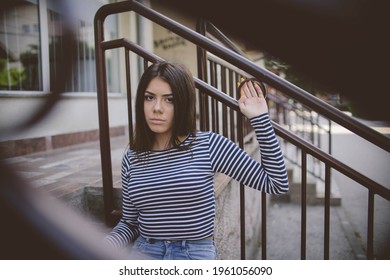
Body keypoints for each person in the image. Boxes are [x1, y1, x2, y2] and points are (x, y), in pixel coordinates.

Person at [104, 61, 289, 260]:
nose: (157, 108)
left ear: (183, 103)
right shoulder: (132, 157)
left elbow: (276, 183)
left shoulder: (209, 145)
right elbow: (130, 224)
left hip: (193, 254)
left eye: (169, 100)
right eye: (149, 98)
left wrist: (260, 119)